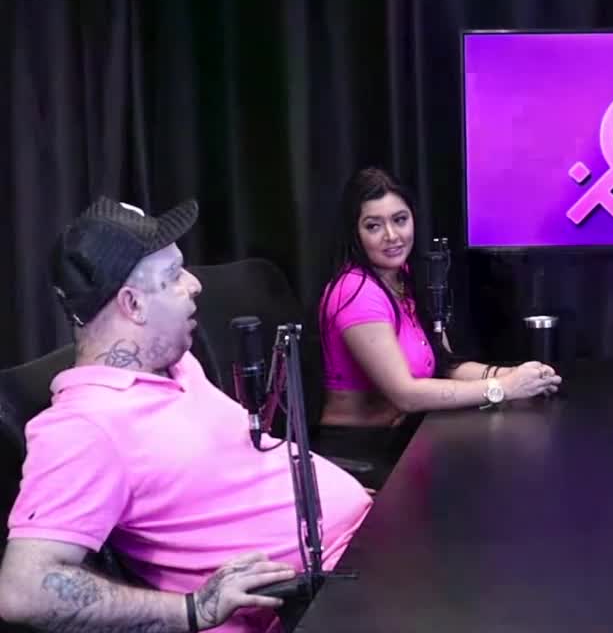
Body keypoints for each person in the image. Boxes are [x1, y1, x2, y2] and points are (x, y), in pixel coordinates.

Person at [0, 197, 372, 632]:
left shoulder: (175, 364)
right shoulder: (84, 428)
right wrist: (190, 609)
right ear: (133, 304)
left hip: (364, 548)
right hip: (317, 599)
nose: (194, 284)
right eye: (174, 275)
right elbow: (22, 590)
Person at [313, 168, 560, 473]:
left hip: (404, 437)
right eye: (374, 226)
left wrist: (520, 376)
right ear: (355, 233)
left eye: (400, 220)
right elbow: (405, 395)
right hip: (361, 454)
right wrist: (503, 387)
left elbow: (445, 365)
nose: (392, 236)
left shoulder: (402, 278)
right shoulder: (355, 292)